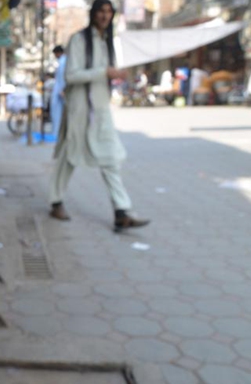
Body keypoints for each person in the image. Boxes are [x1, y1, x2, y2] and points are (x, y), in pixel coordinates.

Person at [48, 0, 149, 231]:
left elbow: (101, 75)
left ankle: (121, 211)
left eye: (109, 12)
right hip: (79, 110)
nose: (105, 16)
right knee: (69, 157)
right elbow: (72, 76)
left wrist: (114, 75)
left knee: (111, 158)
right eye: (101, 11)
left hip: (101, 110)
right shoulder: (78, 40)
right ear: (93, 13)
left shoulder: (107, 42)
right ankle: (56, 201)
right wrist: (103, 72)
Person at [50, 45, 67, 138]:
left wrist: (63, 89)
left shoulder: (64, 62)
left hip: (61, 91)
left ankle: (59, 133)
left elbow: (64, 78)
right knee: (57, 113)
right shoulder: (61, 62)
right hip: (59, 91)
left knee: (60, 113)